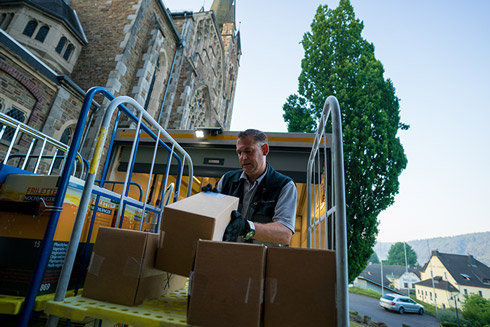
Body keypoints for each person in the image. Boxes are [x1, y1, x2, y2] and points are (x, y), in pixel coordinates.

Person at [202, 129, 297, 246]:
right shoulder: (227, 180)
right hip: (225, 254)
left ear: (265, 150)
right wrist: (207, 204)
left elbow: (285, 235)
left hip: (262, 260)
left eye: (248, 151)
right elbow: (213, 221)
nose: (243, 157)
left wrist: (247, 228)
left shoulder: (284, 185)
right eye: (239, 152)